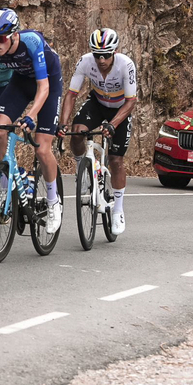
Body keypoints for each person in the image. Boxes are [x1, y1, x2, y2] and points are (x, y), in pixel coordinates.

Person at [0, 8, 64, 234]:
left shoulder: (31, 42)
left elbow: (44, 87)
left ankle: (53, 202)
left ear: (14, 35)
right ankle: (3, 179)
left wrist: (31, 116)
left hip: (48, 82)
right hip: (21, 82)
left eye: (1, 38)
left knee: (42, 149)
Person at [59, 29, 137, 235]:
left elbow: (131, 101)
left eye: (106, 55)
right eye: (97, 55)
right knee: (77, 132)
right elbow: (71, 94)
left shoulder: (125, 64)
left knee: (116, 160)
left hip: (120, 108)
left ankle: (118, 210)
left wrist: (113, 124)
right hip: (98, 102)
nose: (101, 60)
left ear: (115, 51)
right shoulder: (85, 62)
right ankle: (81, 169)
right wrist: (62, 123)